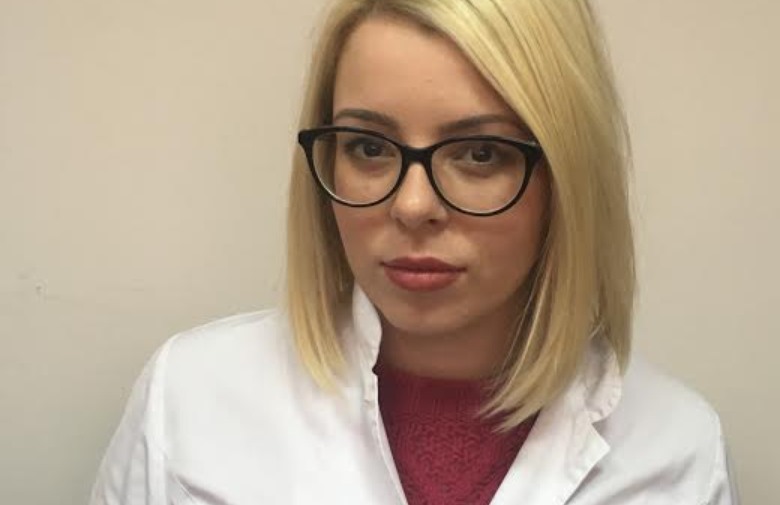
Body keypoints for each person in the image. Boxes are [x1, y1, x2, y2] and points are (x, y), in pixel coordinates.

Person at [90, 0, 739, 503]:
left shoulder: (675, 449)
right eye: (369, 148)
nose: (412, 205)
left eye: (480, 153)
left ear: (566, 178)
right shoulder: (191, 401)